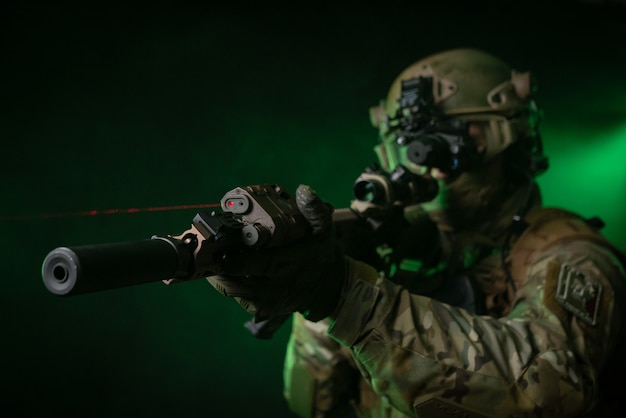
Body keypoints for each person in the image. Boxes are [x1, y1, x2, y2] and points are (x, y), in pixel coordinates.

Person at [207, 48, 626, 417]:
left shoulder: (570, 250)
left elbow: (550, 392)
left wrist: (347, 296)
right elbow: (313, 403)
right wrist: (321, 299)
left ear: (510, 133)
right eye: (410, 144)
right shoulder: (410, 246)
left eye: (456, 137)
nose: (432, 162)